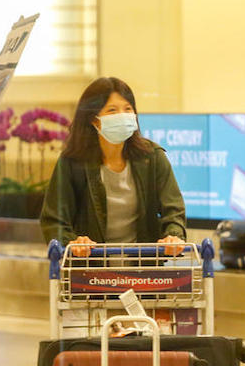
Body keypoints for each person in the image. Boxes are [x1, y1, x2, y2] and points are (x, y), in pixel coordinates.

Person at [40, 77, 186, 255]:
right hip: (90, 270)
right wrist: (72, 243)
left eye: (127, 109)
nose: (122, 116)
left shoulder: (152, 157)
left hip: (144, 268)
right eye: (112, 110)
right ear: (94, 120)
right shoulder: (73, 162)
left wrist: (173, 236)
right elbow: (54, 220)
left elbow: (173, 210)